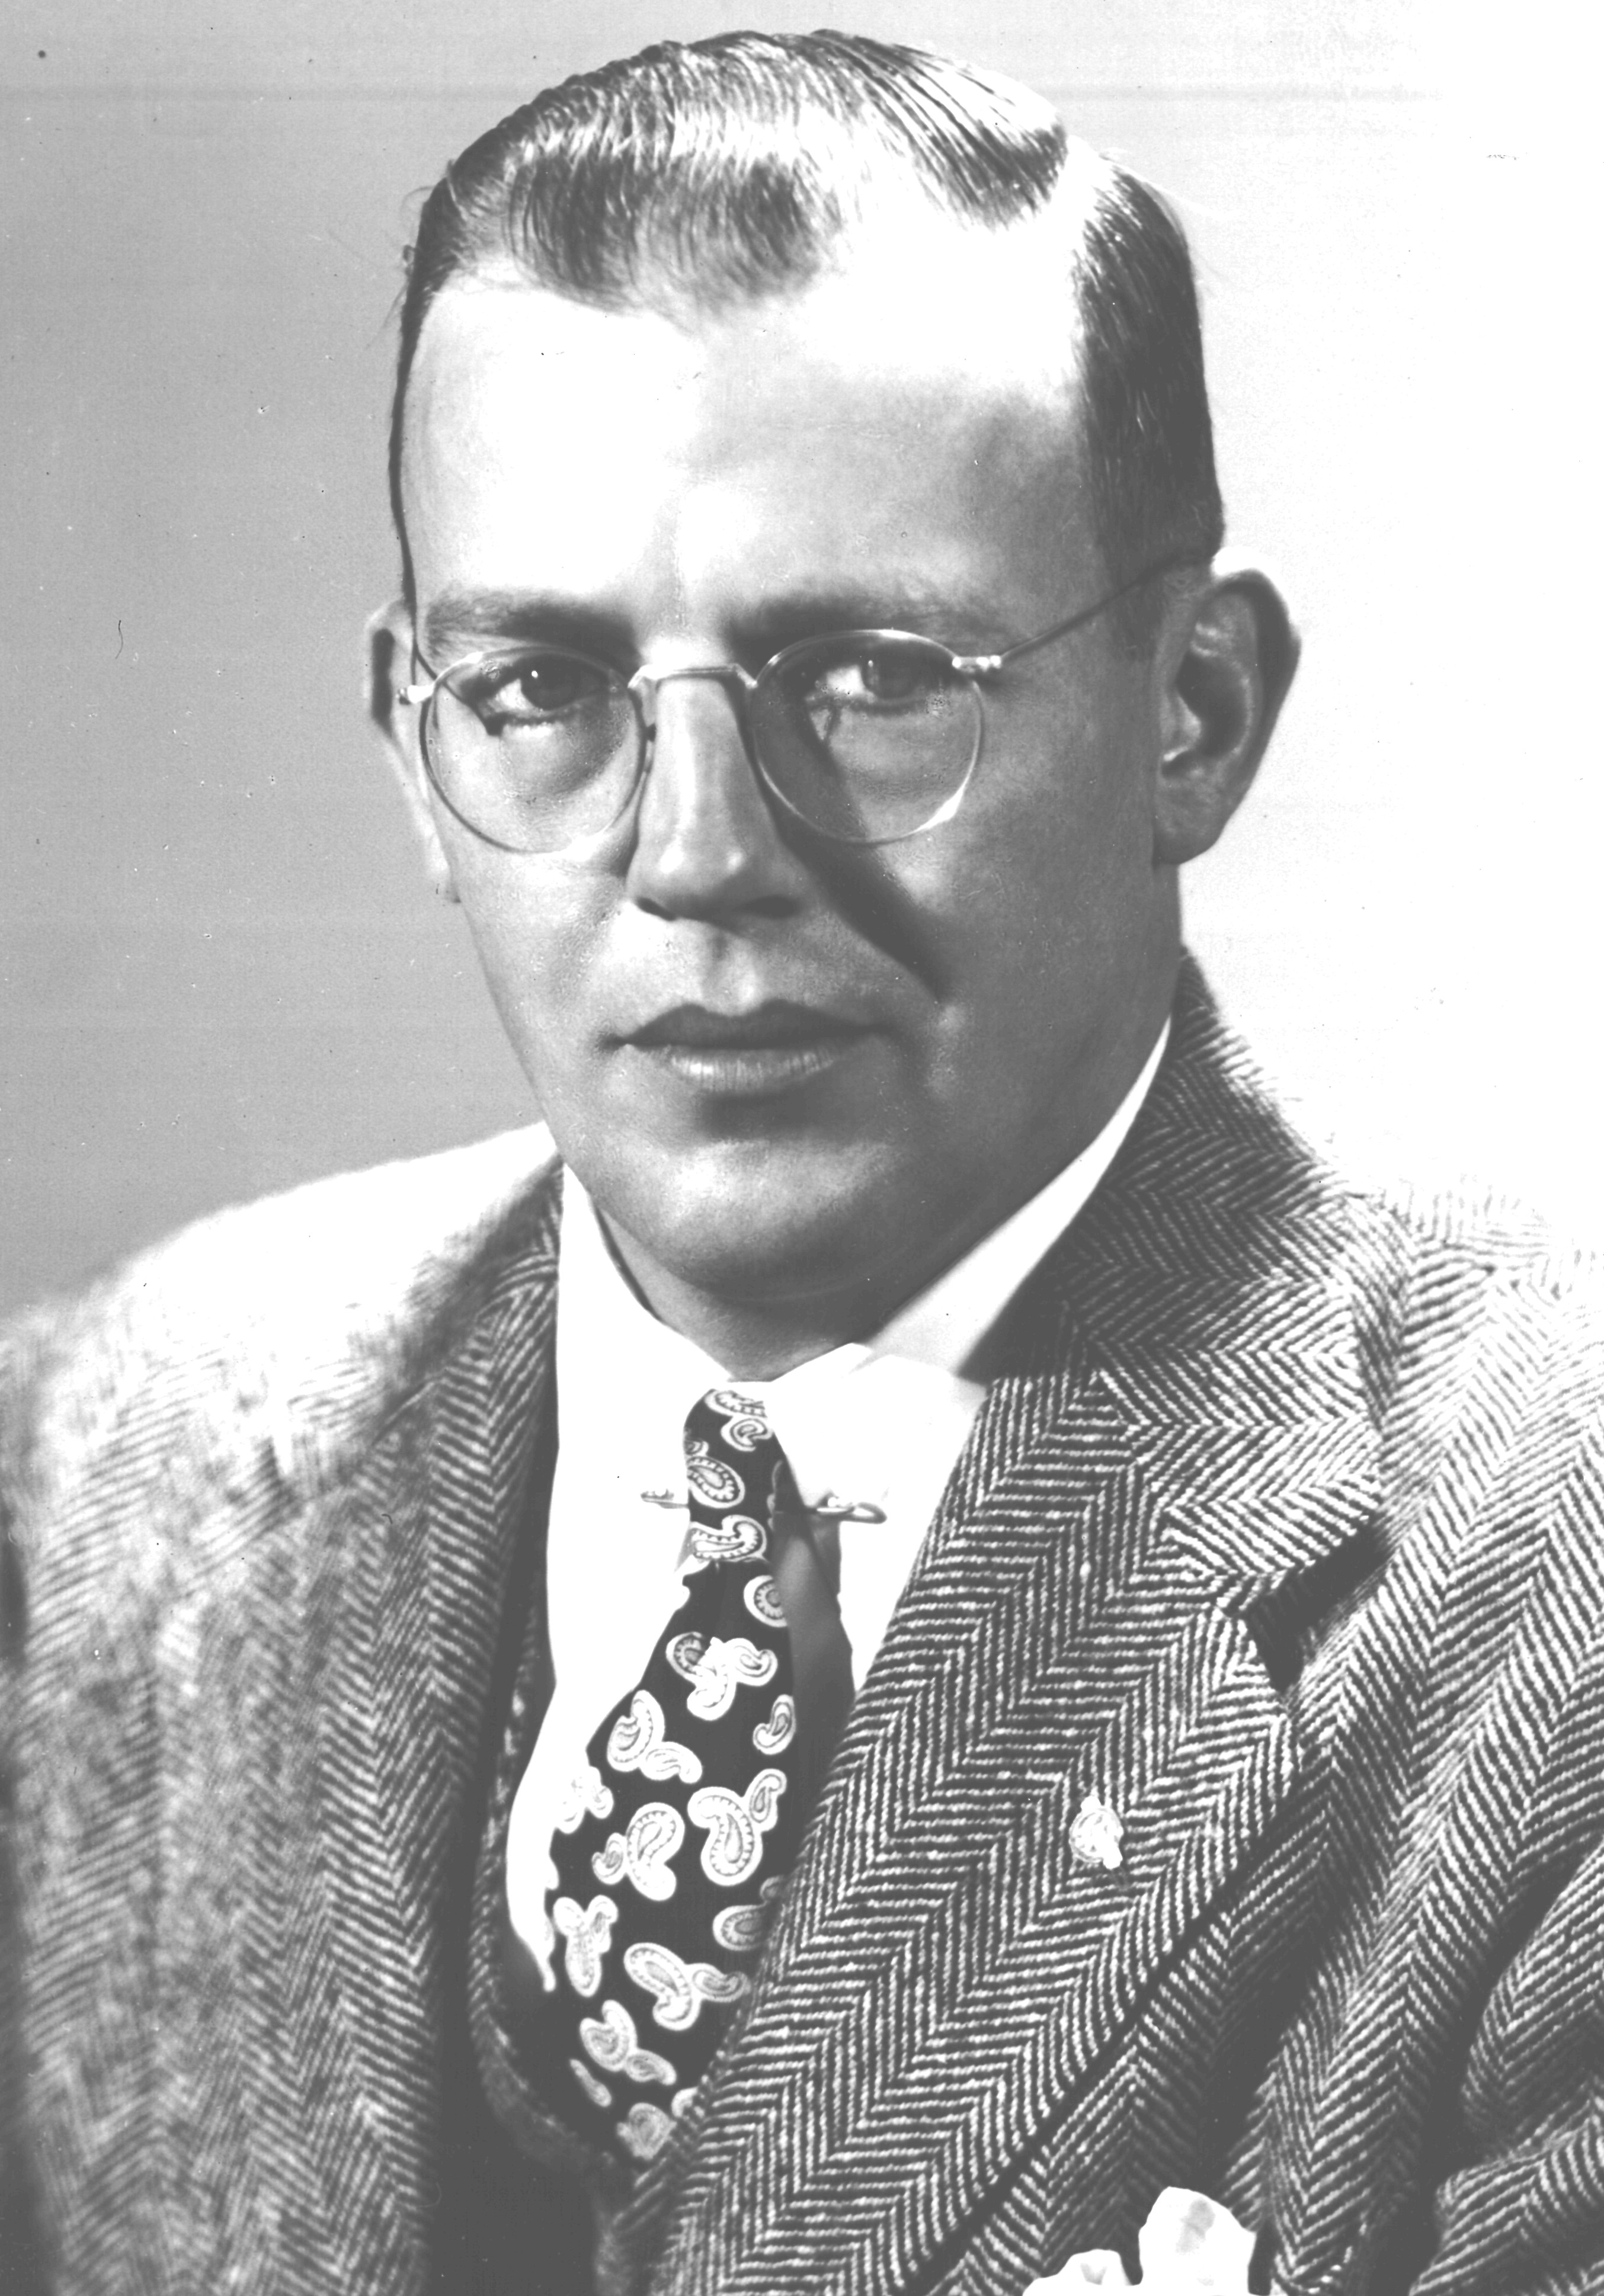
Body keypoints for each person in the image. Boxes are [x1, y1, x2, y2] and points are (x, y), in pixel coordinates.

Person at [2, 30, 1600, 2296]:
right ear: (411, 749)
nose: (695, 855)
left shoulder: (1551, 1589)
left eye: (868, 677)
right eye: (539, 690)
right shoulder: (99, 1460)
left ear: (1194, 712)